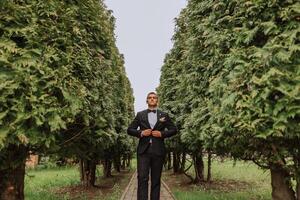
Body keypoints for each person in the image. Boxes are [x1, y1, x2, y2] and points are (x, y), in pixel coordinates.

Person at [127, 91, 178, 200]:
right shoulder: (140, 115)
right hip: (143, 152)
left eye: (154, 97)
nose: (152, 99)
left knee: (156, 180)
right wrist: (140, 133)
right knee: (142, 178)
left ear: (157, 100)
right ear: (147, 100)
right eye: (150, 97)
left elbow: (174, 129)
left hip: (158, 151)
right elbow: (129, 130)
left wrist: (162, 134)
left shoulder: (164, 115)